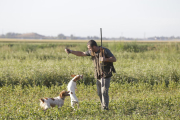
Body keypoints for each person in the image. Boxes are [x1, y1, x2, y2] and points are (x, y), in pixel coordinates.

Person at [65, 40, 116, 110]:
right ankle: (103, 105)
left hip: (106, 74)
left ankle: (105, 108)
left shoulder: (105, 51)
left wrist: (105, 59)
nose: (89, 49)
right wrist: (71, 51)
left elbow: (114, 59)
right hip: (98, 75)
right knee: (99, 93)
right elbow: (81, 53)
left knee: (104, 91)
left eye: (89, 48)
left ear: (94, 46)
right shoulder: (92, 52)